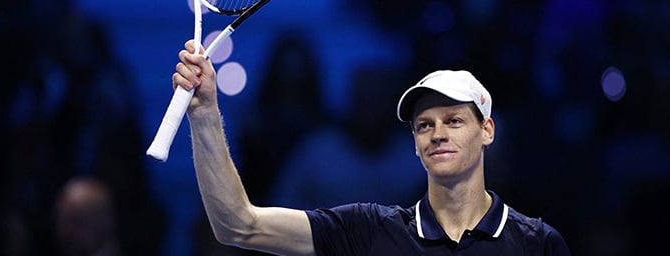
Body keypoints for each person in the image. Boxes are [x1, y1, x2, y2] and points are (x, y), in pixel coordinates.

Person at [175, 40, 571, 255]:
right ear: (415, 145)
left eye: (453, 121)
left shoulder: (537, 243)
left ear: (487, 131)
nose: (437, 134)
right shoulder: (368, 230)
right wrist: (206, 113)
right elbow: (240, 226)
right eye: (424, 125)